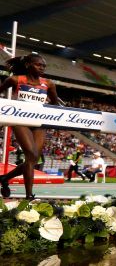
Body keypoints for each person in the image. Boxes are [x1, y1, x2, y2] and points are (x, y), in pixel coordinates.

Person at [0, 54, 61, 199]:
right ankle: (29, 196)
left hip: (39, 122)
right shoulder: (15, 80)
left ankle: (4, 178)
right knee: (31, 155)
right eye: (38, 65)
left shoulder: (49, 84)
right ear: (28, 65)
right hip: (20, 121)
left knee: (33, 159)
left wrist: (49, 104)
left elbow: (55, 104)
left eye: (44, 66)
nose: (42, 68)